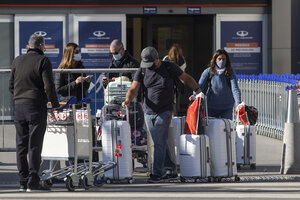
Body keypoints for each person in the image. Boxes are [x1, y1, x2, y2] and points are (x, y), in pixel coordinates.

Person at [122, 46, 201, 183]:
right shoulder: (143, 69)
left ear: (157, 59)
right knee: (161, 142)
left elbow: (186, 78)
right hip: (148, 112)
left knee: (158, 143)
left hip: (165, 111)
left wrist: (197, 90)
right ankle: (171, 170)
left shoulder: (169, 67)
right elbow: (134, 88)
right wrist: (128, 99)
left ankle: (157, 173)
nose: (149, 66)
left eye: (151, 63)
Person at [9, 34, 60, 192]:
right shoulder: (43, 61)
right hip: (36, 107)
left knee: (21, 145)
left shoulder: (17, 60)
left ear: (27, 46)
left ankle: (22, 182)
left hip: (19, 107)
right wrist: (54, 104)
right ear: (42, 46)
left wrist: (19, 97)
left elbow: (10, 85)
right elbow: (48, 86)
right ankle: (33, 181)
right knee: (35, 145)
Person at [55, 42, 98, 162]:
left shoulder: (81, 66)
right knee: (71, 136)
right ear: (70, 54)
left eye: (79, 51)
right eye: (77, 52)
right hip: (68, 106)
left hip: (81, 104)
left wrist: (87, 81)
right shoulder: (62, 69)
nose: (79, 54)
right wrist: (76, 82)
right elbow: (59, 90)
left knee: (84, 135)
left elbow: (84, 89)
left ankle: (85, 163)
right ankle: (72, 163)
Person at [197, 49, 241, 119]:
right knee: (212, 128)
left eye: (224, 59)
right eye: (219, 59)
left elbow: (235, 89)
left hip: (227, 108)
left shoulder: (230, 72)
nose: (221, 61)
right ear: (215, 60)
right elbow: (199, 86)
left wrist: (239, 104)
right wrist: (194, 96)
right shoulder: (209, 71)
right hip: (211, 107)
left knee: (226, 128)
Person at [163, 43, 186, 115]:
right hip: (177, 85)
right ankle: (174, 115)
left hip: (167, 84)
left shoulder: (166, 59)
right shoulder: (182, 60)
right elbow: (182, 72)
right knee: (176, 103)